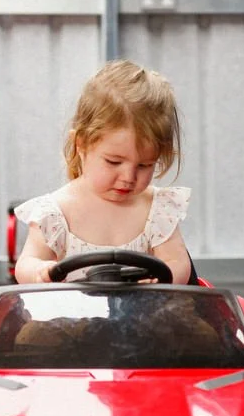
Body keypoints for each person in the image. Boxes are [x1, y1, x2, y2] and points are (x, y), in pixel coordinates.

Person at [13, 59, 193, 284]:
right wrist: (40, 270)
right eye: (114, 162)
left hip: (144, 315)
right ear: (81, 145)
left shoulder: (157, 209)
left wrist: (160, 280)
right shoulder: (56, 213)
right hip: (70, 317)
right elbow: (26, 263)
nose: (129, 177)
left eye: (144, 165)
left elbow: (177, 263)